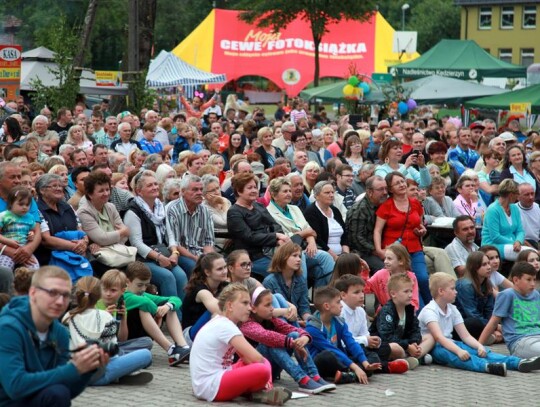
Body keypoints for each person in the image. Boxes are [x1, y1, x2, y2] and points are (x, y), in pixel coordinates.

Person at [0, 266, 108, 406]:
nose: (60, 301)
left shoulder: (60, 332)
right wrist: (73, 368)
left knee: (58, 392)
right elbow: (15, 386)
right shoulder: (8, 328)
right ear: (33, 293)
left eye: (66, 295)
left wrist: (87, 368)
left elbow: (63, 389)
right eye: (52, 293)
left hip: (32, 399)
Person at [419, 272, 540, 376]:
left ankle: (518, 363)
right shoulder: (430, 311)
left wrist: (479, 346)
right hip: (435, 347)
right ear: (441, 291)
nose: (456, 292)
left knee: (482, 352)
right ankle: (487, 367)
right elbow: (439, 338)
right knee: (458, 357)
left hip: (451, 343)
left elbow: (465, 336)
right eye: (452, 289)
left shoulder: (452, 309)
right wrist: (458, 351)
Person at [190, 283, 292, 404]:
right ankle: (265, 391)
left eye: (249, 303)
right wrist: (259, 372)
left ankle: (259, 392)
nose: (249, 308)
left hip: (208, 383)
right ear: (230, 306)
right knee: (262, 368)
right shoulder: (226, 326)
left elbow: (245, 357)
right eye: (244, 303)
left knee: (261, 363)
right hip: (212, 386)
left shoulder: (222, 322)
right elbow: (256, 358)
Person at [240, 287, 336, 394]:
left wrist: (304, 337)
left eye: (271, 304)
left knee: (294, 335)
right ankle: (302, 379)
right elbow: (266, 336)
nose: (272, 308)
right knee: (270, 343)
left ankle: (314, 375)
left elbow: (292, 329)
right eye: (267, 305)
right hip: (253, 372)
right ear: (253, 308)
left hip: (271, 370)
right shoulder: (247, 324)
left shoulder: (270, 319)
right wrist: (293, 343)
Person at [62, 276, 153, 385]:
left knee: (140, 344)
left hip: (73, 373)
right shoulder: (105, 316)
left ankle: (119, 374)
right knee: (145, 355)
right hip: (96, 375)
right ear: (99, 294)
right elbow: (111, 353)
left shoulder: (67, 316)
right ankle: (119, 375)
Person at [124, 170, 188, 306]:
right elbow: (137, 244)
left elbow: (170, 235)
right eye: (149, 185)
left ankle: (184, 320)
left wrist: (175, 253)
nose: (154, 187)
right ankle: (173, 317)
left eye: (155, 184)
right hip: (143, 259)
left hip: (164, 253)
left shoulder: (160, 207)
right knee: (168, 277)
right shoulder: (132, 212)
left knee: (181, 275)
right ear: (139, 191)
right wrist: (159, 258)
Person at [336, 274, 413, 374]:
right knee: (373, 357)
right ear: (343, 295)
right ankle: (387, 366)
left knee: (390, 348)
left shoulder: (360, 311)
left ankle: (372, 366)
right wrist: (365, 340)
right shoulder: (339, 312)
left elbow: (365, 334)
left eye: (362, 291)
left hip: (359, 347)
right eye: (356, 292)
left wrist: (373, 341)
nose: (361, 295)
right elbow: (341, 341)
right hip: (344, 349)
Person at [374, 171, 431, 306]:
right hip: (395, 250)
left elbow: (420, 224)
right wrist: (379, 250)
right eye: (397, 183)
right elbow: (377, 230)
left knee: (422, 278)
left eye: (402, 181)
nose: (401, 185)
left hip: (414, 247)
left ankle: (431, 309)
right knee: (407, 282)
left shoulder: (416, 203)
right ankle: (418, 311)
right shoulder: (386, 206)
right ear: (390, 189)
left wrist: (422, 230)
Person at [266, 177, 335, 287]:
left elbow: (310, 230)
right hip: (286, 251)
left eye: (289, 191)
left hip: (305, 246)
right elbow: (286, 238)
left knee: (325, 257)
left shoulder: (294, 208)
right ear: (274, 195)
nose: (289, 194)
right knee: (299, 257)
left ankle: (327, 296)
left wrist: (311, 242)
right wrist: (304, 233)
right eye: (285, 191)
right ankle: (302, 298)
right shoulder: (268, 212)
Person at [306, 286, 383, 384]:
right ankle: (354, 372)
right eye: (338, 302)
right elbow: (331, 349)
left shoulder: (339, 322)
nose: (341, 305)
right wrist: (355, 367)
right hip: (321, 363)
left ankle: (348, 374)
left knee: (371, 356)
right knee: (327, 356)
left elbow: (351, 342)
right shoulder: (313, 328)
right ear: (327, 306)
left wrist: (365, 363)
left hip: (340, 359)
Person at [123, 262, 191, 366]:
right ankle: (170, 349)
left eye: (146, 285)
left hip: (144, 337)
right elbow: (145, 302)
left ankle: (183, 347)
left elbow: (175, 299)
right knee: (144, 308)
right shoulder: (123, 296)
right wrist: (157, 312)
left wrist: (167, 306)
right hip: (128, 339)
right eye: (139, 285)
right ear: (127, 281)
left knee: (169, 306)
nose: (143, 289)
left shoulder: (143, 294)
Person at [227, 172, 290, 279]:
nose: (254, 190)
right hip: (254, 256)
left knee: (299, 260)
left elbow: (275, 225)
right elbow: (249, 237)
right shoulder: (234, 212)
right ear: (239, 191)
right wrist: (275, 237)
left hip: (272, 250)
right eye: (249, 188)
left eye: (255, 187)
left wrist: (279, 239)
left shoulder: (259, 206)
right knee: (284, 271)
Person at [369, 274, 434, 367]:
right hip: (386, 345)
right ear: (393, 294)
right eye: (406, 291)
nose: (410, 295)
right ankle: (411, 358)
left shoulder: (409, 309)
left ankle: (413, 357)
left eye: (411, 291)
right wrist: (407, 346)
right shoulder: (387, 311)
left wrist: (413, 342)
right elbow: (386, 336)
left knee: (430, 337)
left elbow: (415, 330)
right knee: (395, 348)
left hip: (404, 343)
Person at [479, 262, 540, 358]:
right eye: (528, 279)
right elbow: (494, 322)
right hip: (520, 341)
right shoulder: (507, 295)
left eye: (534, 279)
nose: (533, 283)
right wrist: (479, 346)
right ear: (516, 280)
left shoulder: (536, 294)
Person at [77, 172, 131, 273]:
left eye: (107, 189)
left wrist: (103, 244)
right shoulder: (84, 211)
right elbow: (102, 238)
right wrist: (122, 232)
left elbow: (125, 237)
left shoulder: (111, 207)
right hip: (99, 259)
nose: (106, 193)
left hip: (118, 254)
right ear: (90, 194)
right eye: (101, 191)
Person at [166, 174, 215, 276]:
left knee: (222, 266)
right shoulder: (172, 210)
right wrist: (196, 258)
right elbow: (175, 243)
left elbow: (208, 241)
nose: (199, 193)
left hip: (201, 254)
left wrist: (207, 258)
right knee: (196, 268)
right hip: (181, 255)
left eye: (201, 189)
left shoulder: (205, 211)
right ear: (183, 191)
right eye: (195, 190)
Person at [96, 269, 154, 354]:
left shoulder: (120, 305)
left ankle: (118, 354)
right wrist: (104, 316)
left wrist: (123, 318)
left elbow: (122, 339)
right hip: (98, 345)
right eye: (105, 290)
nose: (108, 294)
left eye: (113, 290)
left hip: (115, 345)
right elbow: (92, 335)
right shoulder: (96, 304)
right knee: (145, 356)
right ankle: (120, 354)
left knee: (147, 341)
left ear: (122, 291)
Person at [481, 179, 534, 261]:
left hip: (513, 244)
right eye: (517, 194)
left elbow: (520, 231)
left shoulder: (514, 208)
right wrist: (514, 243)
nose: (518, 197)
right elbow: (495, 237)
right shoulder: (493, 210)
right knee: (530, 255)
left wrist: (518, 241)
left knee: (533, 254)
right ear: (511, 195)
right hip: (494, 246)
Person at [182, 253, 229, 344]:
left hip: (208, 331)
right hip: (190, 336)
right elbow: (218, 309)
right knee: (214, 312)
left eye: (225, 267)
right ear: (207, 272)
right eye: (220, 269)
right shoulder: (200, 290)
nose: (224, 271)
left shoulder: (224, 285)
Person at [454, 252, 502, 342]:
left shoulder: (487, 284)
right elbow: (471, 313)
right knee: (474, 322)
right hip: (462, 324)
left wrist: (493, 326)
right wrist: (494, 327)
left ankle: (489, 336)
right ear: (474, 268)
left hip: (482, 323)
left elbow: (489, 310)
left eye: (488, 263)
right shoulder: (465, 285)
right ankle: (486, 337)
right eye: (484, 264)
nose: (489, 267)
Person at [346, 175, 388, 273]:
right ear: (369, 192)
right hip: (363, 253)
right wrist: (377, 251)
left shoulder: (382, 206)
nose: (385, 192)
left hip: (380, 250)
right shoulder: (360, 209)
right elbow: (356, 239)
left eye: (386, 189)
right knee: (385, 269)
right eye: (381, 189)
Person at [365, 244, 420, 311]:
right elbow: (366, 287)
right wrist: (364, 273)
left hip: (405, 313)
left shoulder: (411, 277)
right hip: (384, 313)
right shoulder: (380, 274)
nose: (385, 261)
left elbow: (414, 302)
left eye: (389, 259)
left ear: (401, 261)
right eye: (385, 258)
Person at [304, 181, 349, 261]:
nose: (331, 195)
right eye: (327, 193)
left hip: (341, 255)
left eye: (332, 192)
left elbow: (344, 236)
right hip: (324, 255)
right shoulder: (311, 212)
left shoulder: (335, 210)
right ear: (317, 196)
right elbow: (318, 239)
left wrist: (346, 255)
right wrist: (335, 257)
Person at [0, 186, 41, 271]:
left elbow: (32, 231)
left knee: (34, 268)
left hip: (24, 250)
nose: (24, 207)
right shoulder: (4, 216)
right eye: (21, 204)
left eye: (27, 205)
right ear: (11, 203)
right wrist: (8, 241)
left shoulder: (30, 218)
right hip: (6, 251)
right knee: (4, 269)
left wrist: (31, 235)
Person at [516, 183, 540, 249]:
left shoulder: (538, 207)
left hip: (536, 241)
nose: (531, 197)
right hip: (521, 243)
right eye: (526, 195)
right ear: (518, 197)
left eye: (532, 193)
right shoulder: (513, 210)